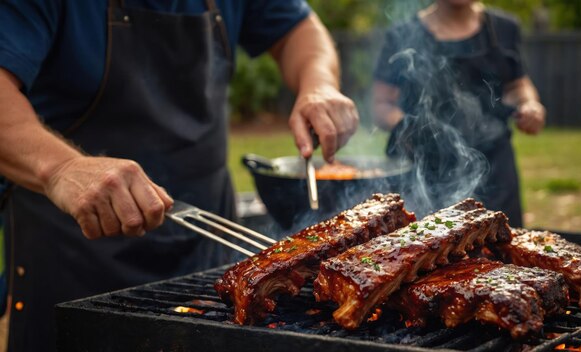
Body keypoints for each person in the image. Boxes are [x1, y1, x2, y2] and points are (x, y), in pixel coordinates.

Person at [0, 1, 359, 350]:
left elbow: (301, 30)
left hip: (210, 252)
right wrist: (62, 169)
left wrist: (319, 83)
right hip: (75, 263)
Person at [373, 0, 545, 226]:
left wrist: (530, 104)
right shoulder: (402, 34)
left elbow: (517, 85)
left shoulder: (504, 28)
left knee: (504, 251)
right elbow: (381, 103)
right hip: (428, 171)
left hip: (496, 170)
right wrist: (410, 127)